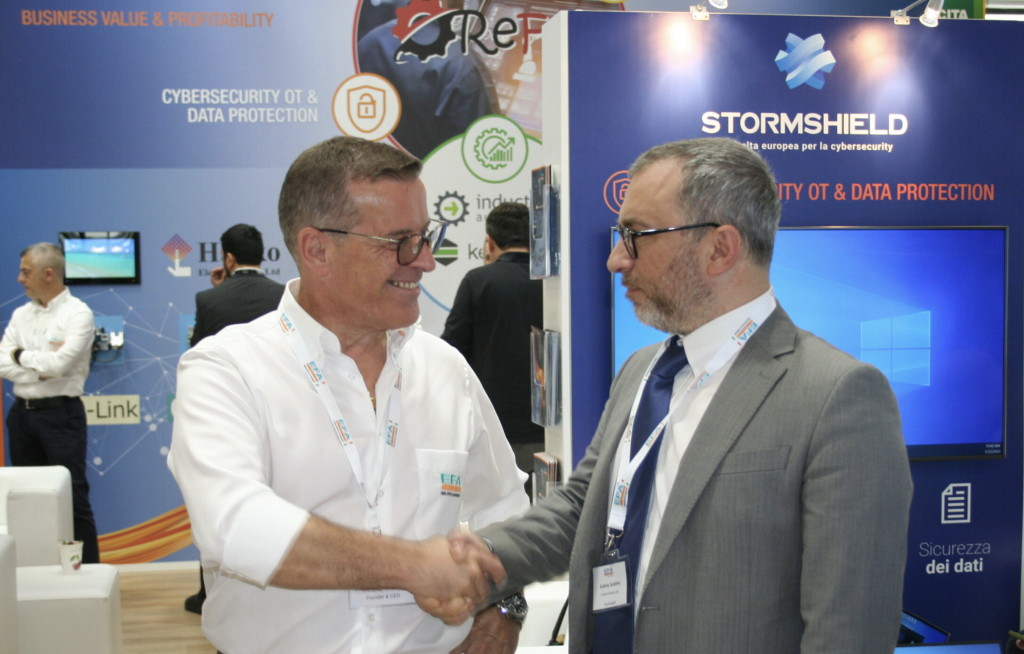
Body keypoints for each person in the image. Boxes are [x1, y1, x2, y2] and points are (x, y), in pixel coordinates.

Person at [430, 137, 914, 653]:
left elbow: (848, 632)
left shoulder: (837, 396)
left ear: (720, 249)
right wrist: (475, 555)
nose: (616, 259)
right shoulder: (643, 370)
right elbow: (584, 507)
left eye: (636, 235)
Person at [168, 136, 530, 654]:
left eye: (425, 237)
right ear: (317, 249)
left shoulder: (445, 369)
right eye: (399, 241)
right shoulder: (228, 369)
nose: (426, 261)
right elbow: (234, 525)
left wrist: (505, 609)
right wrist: (411, 565)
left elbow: (505, 510)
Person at [184, 223, 285, 615]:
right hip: (281, 417)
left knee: (218, 504)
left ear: (227, 258)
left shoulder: (209, 299)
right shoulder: (284, 294)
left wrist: (218, 288)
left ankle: (208, 594)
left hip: (227, 419)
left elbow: (198, 354)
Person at [0, 243, 100, 563]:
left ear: (48, 274)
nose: (20, 279)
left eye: (25, 272)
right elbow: (3, 363)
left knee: (72, 497)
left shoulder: (78, 313)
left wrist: (21, 357)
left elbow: (59, 366)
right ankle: (35, 570)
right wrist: (38, 367)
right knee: (27, 499)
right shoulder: (21, 314)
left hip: (61, 417)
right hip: (21, 416)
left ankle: (88, 573)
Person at [441, 202, 544, 493]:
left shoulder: (478, 281)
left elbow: (450, 353)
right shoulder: (554, 282)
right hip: (550, 430)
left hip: (493, 429)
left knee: (497, 513)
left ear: (489, 242)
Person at [189, 223, 285, 347]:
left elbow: (197, 350)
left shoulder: (206, 300)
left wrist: (219, 291)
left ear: (229, 259)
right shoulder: (284, 295)